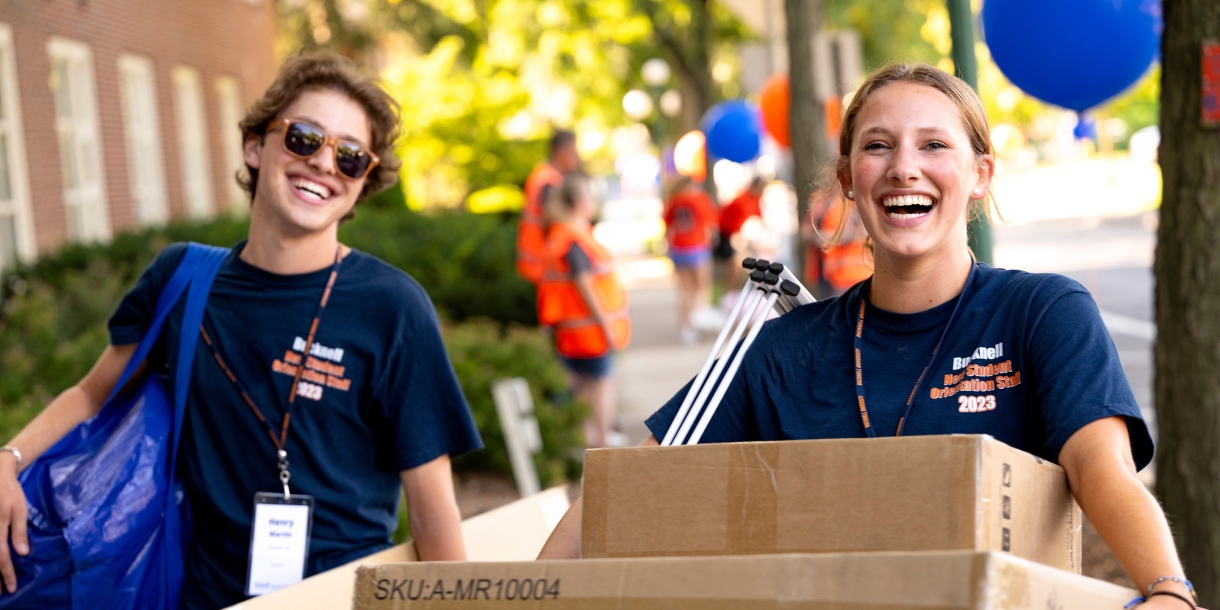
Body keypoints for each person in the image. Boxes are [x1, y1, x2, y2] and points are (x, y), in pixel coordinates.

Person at [538, 63, 1196, 610]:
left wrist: (1168, 590)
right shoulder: (781, 348)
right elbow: (626, 486)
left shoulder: (1041, 313)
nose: (904, 167)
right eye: (878, 146)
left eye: (934, 145)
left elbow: (1101, 470)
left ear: (980, 175)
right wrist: (529, 593)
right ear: (850, 180)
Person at [0, 50, 483, 608]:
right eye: (304, 137)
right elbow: (91, 393)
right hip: (207, 596)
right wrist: (9, 459)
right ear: (256, 146)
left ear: (363, 182)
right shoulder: (181, 280)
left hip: (344, 599)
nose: (326, 164)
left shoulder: (393, 308)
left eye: (351, 156)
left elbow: (431, 510)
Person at [537, 173, 631, 448]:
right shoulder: (575, 239)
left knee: (581, 390)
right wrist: (607, 326)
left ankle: (586, 442)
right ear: (579, 202)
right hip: (590, 331)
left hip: (569, 331)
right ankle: (601, 441)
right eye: (591, 196)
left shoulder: (560, 236)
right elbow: (586, 287)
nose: (595, 202)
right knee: (600, 387)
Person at [517, 130, 581, 283]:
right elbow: (554, 220)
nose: (577, 157)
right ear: (561, 152)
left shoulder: (543, 176)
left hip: (538, 257)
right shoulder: (549, 181)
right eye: (574, 150)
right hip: (544, 260)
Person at [663, 177, 719, 344]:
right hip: (697, 246)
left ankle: (686, 328)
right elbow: (712, 227)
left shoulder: (674, 201)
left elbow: (668, 228)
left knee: (686, 290)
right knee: (703, 286)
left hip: (678, 248)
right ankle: (699, 319)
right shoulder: (700, 198)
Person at [715, 176, 764, 290]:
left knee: (739, 265)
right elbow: (733, 223)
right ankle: (730, 290)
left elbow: (759, 216)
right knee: (733, 265)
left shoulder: (754, 199)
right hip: (727, 233)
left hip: (738, 234)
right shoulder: (742, 200)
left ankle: (733, 289)